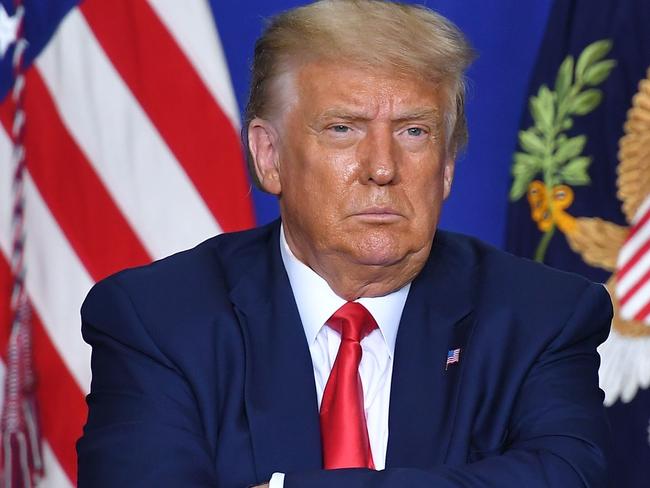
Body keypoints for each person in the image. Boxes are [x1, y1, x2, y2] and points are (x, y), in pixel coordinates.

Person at [76, 1, 613, 487]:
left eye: (414, 132)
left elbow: (568, 476)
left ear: (447, 165)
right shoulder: (157, 321)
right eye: (342, 128)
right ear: (269, 156)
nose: (382, 168)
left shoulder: (541, 317)